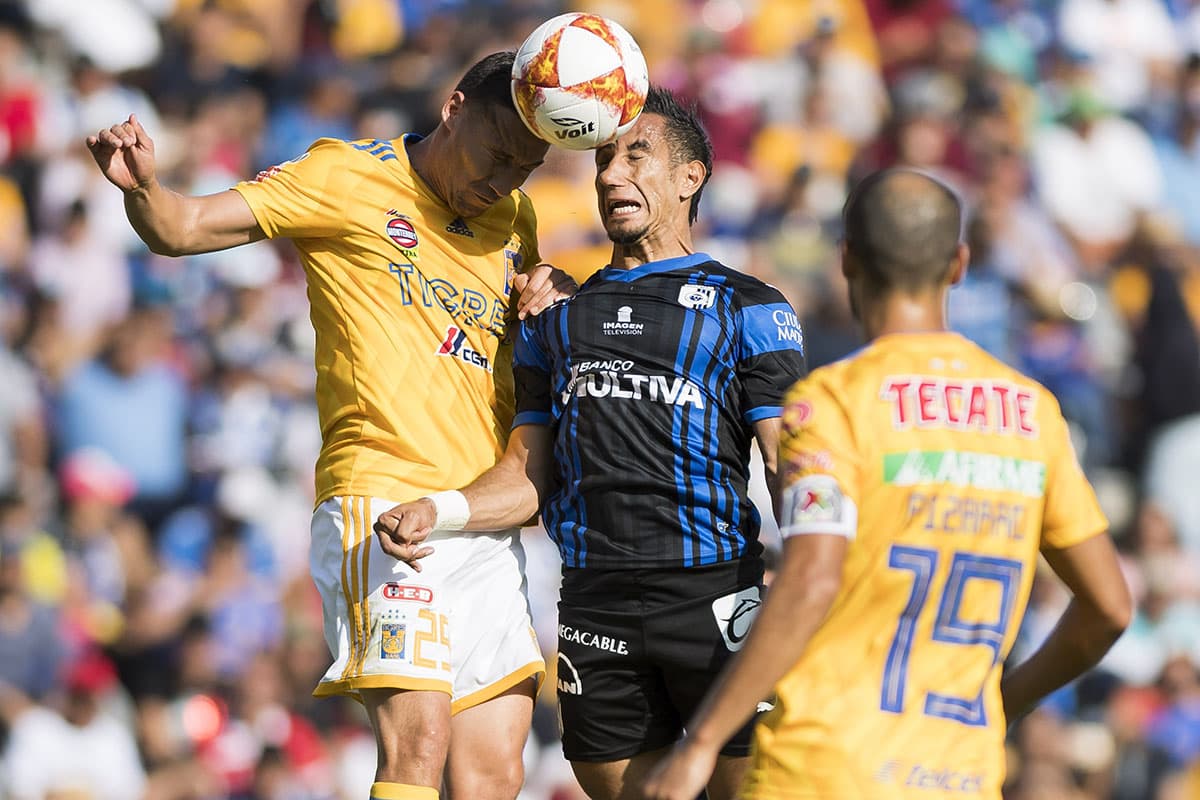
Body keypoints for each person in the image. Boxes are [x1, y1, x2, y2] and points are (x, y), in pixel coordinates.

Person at [87, 51, 575, 800]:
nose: (506, 179)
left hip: (479, 514)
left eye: (526, 167)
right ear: (454, 108)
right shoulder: (346, 176)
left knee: (494, 770)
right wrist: (147, 187)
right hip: (379, 503)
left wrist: (554, 289)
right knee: (419, 742)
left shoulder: (517, 219)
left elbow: (529, 332)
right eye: (500, 152)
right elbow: (182, 227)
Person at [641, 168, 1134, 800]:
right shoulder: (1032, 411)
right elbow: (1110, 609)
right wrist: (1002, 706)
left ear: (846, 259)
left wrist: (704, 742)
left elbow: (814, 575)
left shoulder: (833, 402)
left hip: (823, 769)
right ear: (958, 264)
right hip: (960, 776)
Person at [373, 87, 807, 800]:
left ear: (690, 178)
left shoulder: (749, 306)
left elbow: (788, 459)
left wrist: (814, 580)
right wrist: (441, 510)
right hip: (595, 608)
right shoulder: (557, 319)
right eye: (604, 158)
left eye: (636, 156)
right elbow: (528, 472)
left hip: (715, 597)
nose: (609, 175)